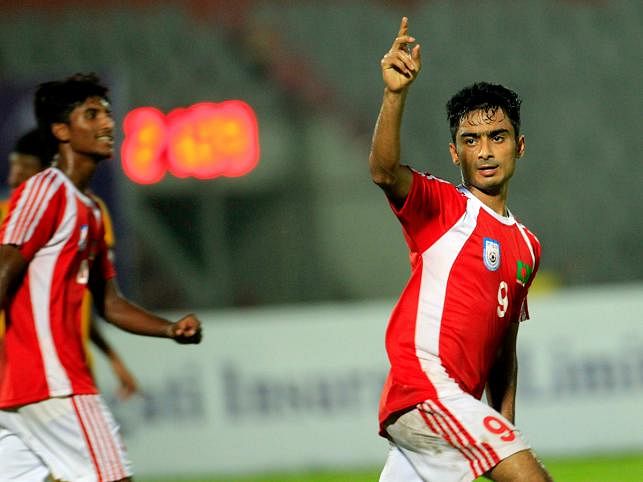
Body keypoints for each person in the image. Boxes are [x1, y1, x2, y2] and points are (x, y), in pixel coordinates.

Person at [370, 18, 552, 482]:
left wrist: (504, 426)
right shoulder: (444, 207)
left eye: (497, 137)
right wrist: (395, 95)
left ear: (520, 146)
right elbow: (385, 172)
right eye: (471, 140)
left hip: (451, 408)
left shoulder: (527, 246)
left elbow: (502, 345)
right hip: (425, 390)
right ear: (455, 153)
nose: (485, 150)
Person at [0, 73, 202, 482]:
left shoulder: (89, 211)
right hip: (55, 385)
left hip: (23, 395)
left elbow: (109, 303)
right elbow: (4, 269)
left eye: (107, 114)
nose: (108, 124)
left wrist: (169, 329)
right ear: (61, 130)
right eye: (91, 115)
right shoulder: (46, 189)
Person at [0, 128, 139, 401]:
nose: (12, 178)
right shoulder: (8, 217)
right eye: (12, 167)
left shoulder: (88, 212)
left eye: (23, 168)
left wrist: (112, 356)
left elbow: (75, 299)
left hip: (67, 370)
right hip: (22, 371)